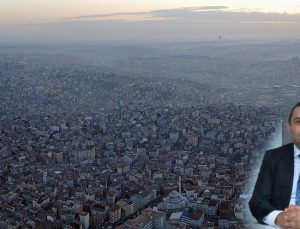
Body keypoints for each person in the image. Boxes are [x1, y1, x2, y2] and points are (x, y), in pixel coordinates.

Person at [249, 102, 300, 229]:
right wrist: (278, 218)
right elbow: (257, 201)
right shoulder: (273, 157)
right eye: (299, 122)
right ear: (289, 126)